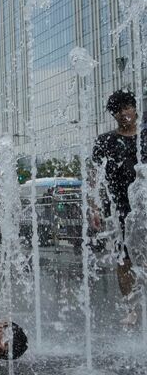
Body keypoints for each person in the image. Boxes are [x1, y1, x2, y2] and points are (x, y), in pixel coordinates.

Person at [91, 89, 147, 325]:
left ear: (135, 108)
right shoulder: (105, 141)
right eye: (118, 110)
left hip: (144, 205)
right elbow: (93, 176)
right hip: (118, 209)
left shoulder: (146, 137)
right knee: (124, 261)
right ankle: (133, 308)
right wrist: (93, 207)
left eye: (128, 108)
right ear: (113, 115)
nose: (124, 113)